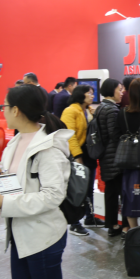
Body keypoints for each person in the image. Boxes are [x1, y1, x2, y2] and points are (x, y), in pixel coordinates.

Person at [0, 85, 72, 279]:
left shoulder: (48, 148)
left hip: (43, 236)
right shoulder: (17, 140)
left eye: (4, 106)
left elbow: (53, 195)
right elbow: (19, 174)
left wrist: (6, 204)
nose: (2, 111)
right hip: (20, 233)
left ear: (15, 110)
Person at [60, 84, 103, 236]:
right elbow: (69, 136)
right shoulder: (70, 110)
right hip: (76, 155)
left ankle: (90, 217)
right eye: (89, 93)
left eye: (92, 93)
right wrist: (78, 157)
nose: (92, 96)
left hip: (88, 154)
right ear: (80, 95)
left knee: (89, 188)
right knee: (76, 189)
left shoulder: (87, 110)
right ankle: (74, 223)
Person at [118, 78, 140, 231]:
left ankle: (133, 233)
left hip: (129, 161)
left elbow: (118, 135)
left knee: (130, 196)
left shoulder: (122, 113)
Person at [96, 78, 125, 238]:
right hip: (114, 157)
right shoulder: (112, 110)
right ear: (111, 90)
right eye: (119, 89)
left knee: (111, 192)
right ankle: (117, 225)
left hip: (105, 156)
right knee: (118, 192)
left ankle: (111, 224)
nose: (122, 93)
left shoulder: (101, 107)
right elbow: (115, 135)